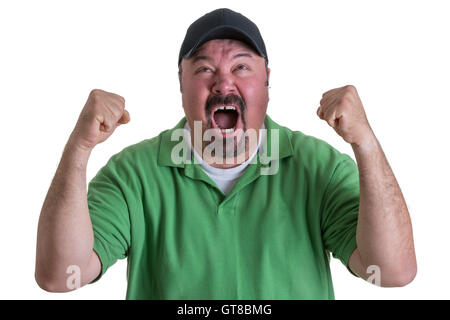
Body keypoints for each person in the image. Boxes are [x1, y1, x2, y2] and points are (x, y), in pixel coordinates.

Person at [35, 8, 417, 299]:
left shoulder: (320, 167)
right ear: (181, 85)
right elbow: (60, 275)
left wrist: (365, 142)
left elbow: (391, 272)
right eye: (204, 69)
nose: (224, 82)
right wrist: (80, 147)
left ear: (267, 81)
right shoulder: (133, 174)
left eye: (241, 66)